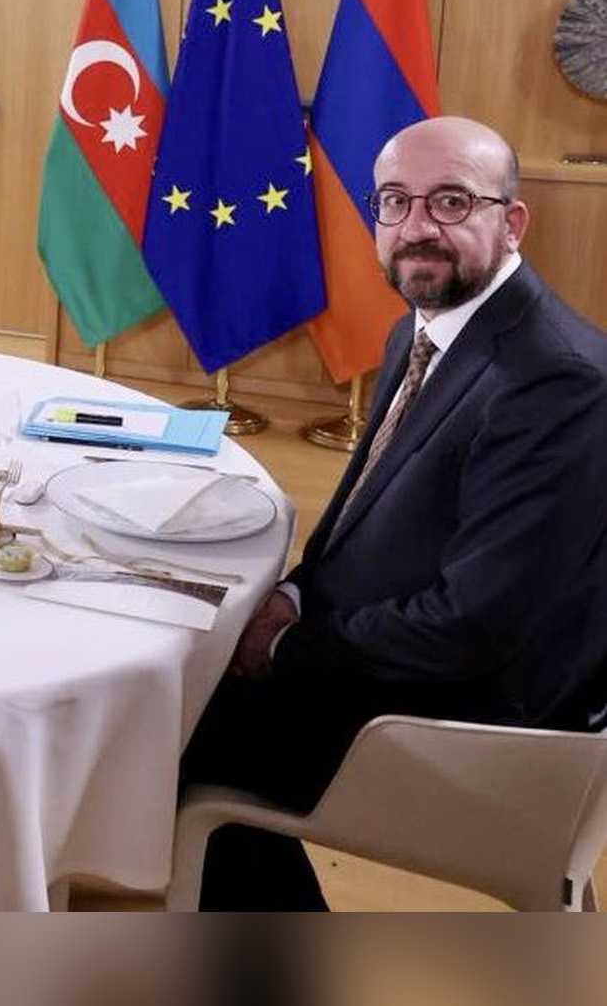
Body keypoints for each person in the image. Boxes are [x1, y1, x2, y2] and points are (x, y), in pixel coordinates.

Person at [181, 116, 607, 909]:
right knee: (190, 684)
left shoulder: (556, 379)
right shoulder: (425, 327)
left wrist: (288, 643)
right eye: (395, 202)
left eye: (451, 201)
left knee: (181, 727)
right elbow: (363, 519)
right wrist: (295, 595)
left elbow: (474, 626)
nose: (417, 227)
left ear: (512, 221)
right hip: (430, 661)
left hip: (487, 726)